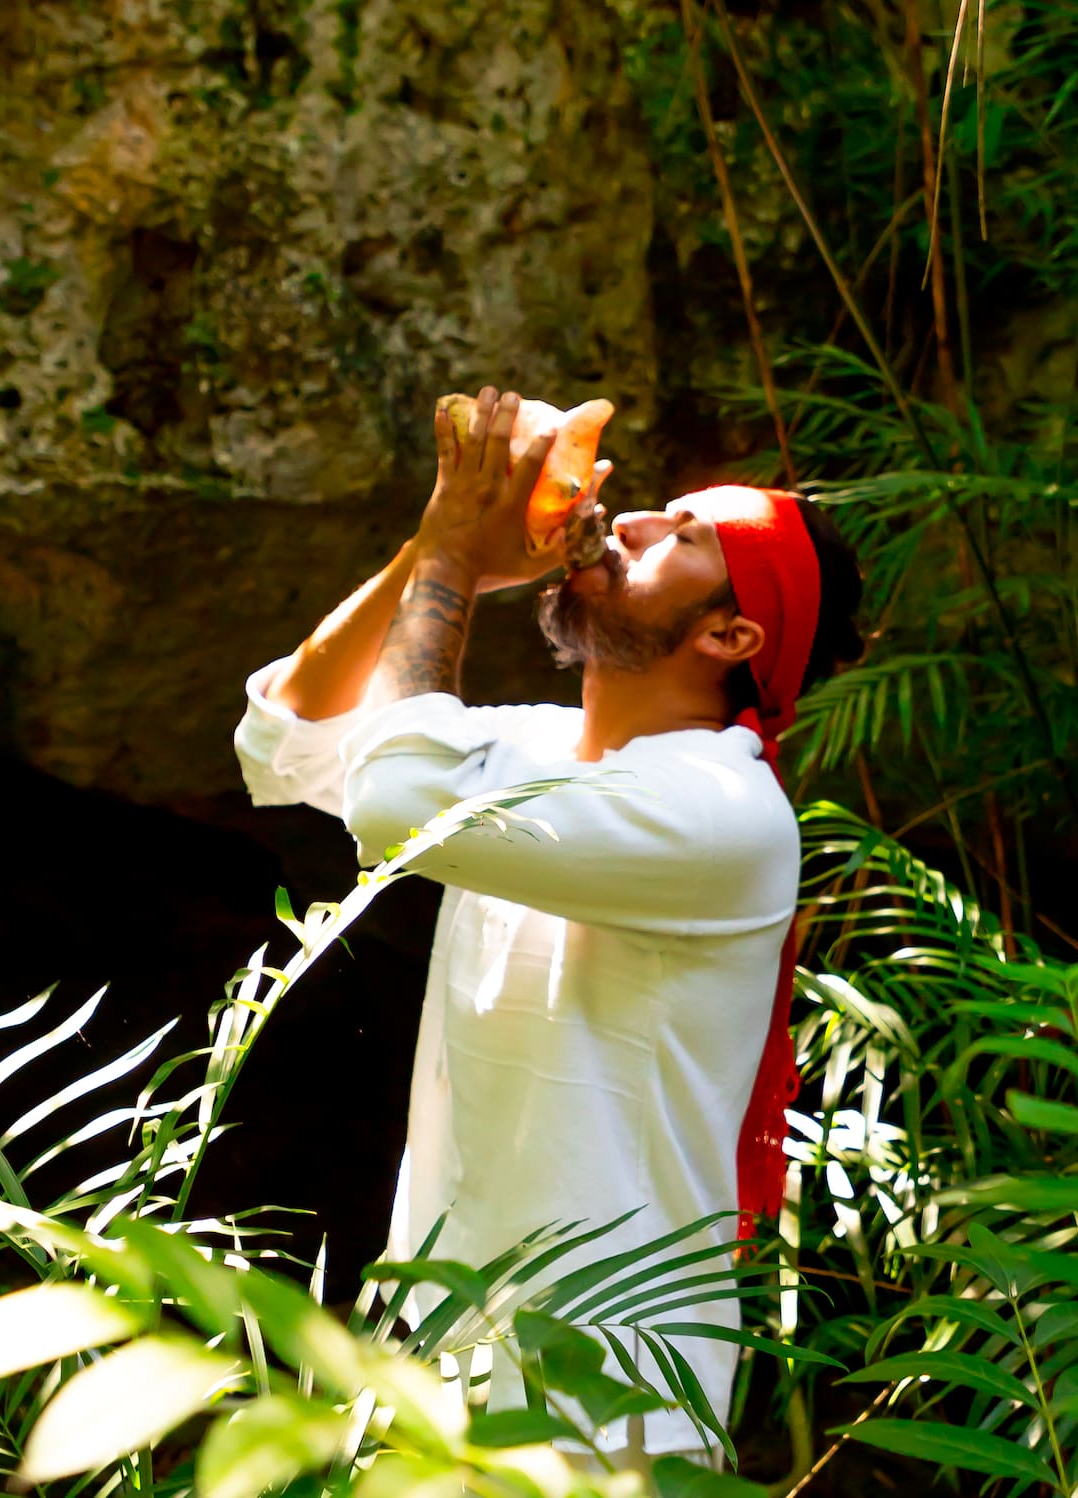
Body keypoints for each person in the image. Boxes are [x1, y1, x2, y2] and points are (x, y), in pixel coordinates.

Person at [234, 387, 864, 1473]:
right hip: (439, 1367)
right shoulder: (532, 750)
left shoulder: (721, 814)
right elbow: (282, 737)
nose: (628, 521)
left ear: (730, 632)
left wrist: (449, 569)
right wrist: (440, 548)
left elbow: (393, 806)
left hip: (611, 1408)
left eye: (683, 535)